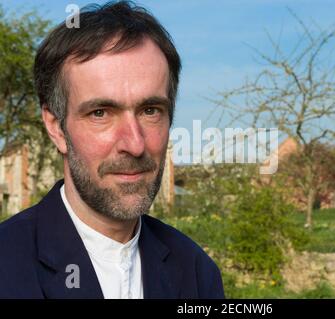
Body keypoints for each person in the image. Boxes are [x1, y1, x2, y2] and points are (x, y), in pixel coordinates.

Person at [0, 1, 224, 299]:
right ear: (56, 127)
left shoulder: (196, 271)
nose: (134, 144)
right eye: (100, 113)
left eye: (150, 110)